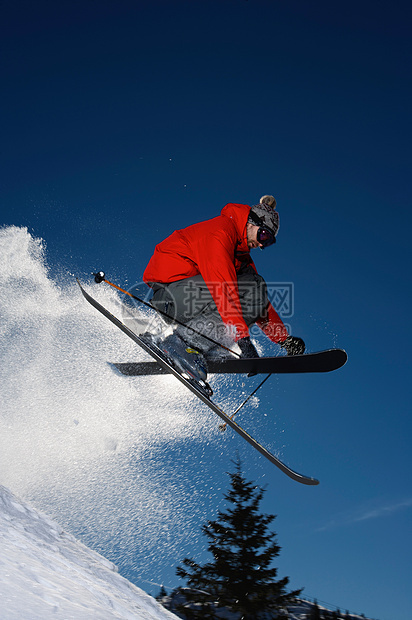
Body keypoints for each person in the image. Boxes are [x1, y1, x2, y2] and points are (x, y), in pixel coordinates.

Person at [143, 196, 305, 360]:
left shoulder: (241, 256)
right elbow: (222, 286)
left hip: (189, 299)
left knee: (256, 286)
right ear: (250, 223)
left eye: (268, 242)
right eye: (263, 236)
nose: (262, 244)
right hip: (171, 296)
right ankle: (184, 342)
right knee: (246, 288)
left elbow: (260, 302)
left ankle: (204, 344)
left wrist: (284, 339)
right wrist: (243, 340)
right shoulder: (220, 232)